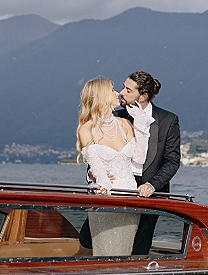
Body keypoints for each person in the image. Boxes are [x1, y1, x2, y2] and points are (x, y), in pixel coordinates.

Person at [76, 77, 152, 256]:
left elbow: (140, 158)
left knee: (125, 251)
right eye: (112, 90)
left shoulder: (125, 124)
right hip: (106, 201)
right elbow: (98, 170)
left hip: (131, 198)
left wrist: (140, 124)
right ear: (102, 96)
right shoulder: (86, 129)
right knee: (106, 253)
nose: (117, 93)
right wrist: (103, 188)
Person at [115, 71, 181, 253]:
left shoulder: (168, 120)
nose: (121, 92)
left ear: (142, 96)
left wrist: (152, 185)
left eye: (128, 90)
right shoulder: (117, 117)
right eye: (123, 87)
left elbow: (172, 161)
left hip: (152, 192)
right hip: (119, 187)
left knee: (139, 247)